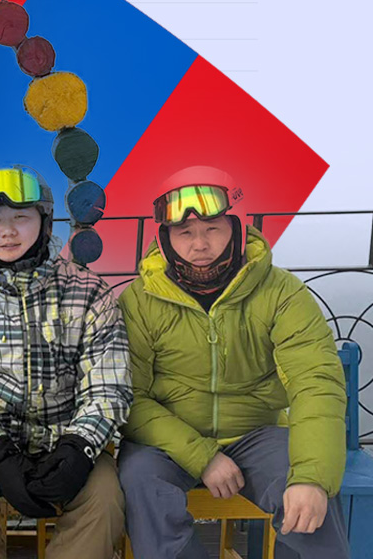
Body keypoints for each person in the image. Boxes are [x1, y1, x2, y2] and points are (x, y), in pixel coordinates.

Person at [117, 168, 349, 558]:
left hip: (256, 433)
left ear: (237, 228)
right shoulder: (139, 301)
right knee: (141, 482)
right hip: (167, 441)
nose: (200, 244)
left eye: (213, 228)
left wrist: (311, 478)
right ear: (165, 238)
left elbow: (316, 382)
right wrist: (202, 456)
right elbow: (128, 396)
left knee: (309, 495)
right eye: (185, 233)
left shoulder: (282, 293)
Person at [0, 166, 132, 559]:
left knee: (105, 497)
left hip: (67, 435)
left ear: (45, 222)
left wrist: (80, 447)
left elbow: (110, 384)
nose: (8, 232)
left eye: (21, 217)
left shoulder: (90, 292)